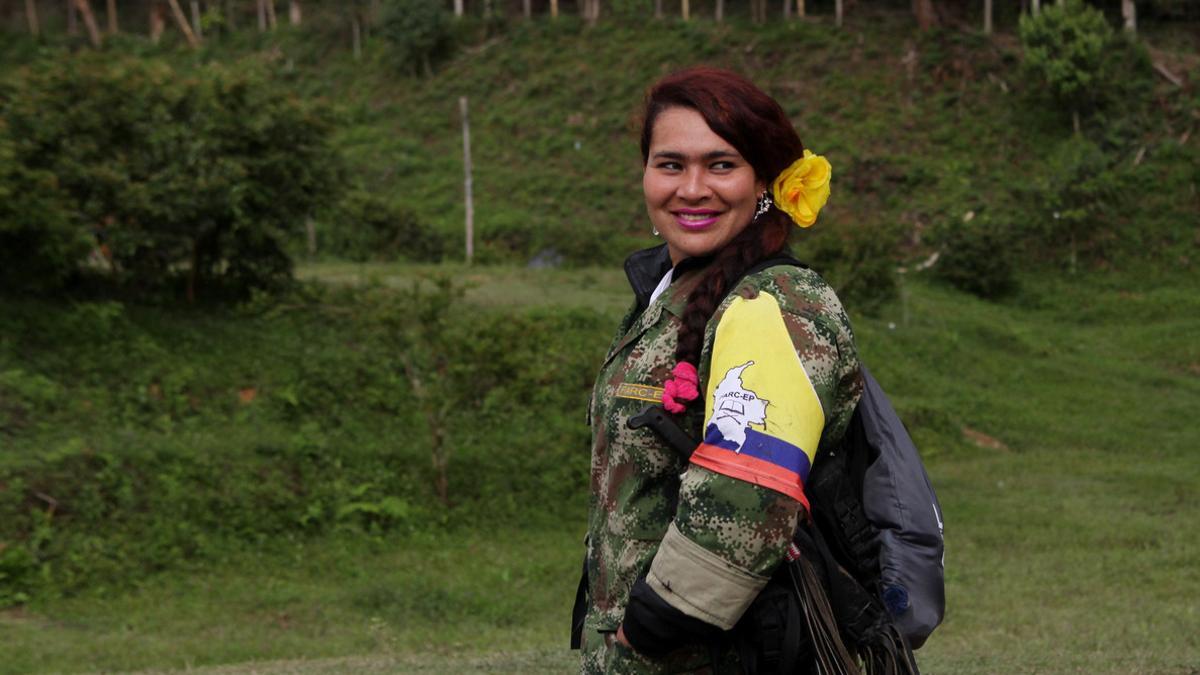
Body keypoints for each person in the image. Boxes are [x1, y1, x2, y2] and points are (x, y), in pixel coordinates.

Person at [578, 67, 864, 674]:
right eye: (671, 164)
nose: (693, 188)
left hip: (718, 655)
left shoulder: (774, 303)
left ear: (764, 180)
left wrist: (646, 632)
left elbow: (751, 495)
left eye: (722, 165)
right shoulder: (671, 291)